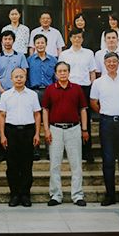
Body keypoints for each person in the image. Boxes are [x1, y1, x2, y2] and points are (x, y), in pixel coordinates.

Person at [90, 52, 119, 206]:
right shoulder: (98, 82)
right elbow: (93, 102)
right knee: (108, 159)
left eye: (114, 61)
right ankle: (110, 195)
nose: (111, 64)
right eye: (109, 62)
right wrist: (105, 113)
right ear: (104, 64)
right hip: (107, 123)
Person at [42, 62, 89, 207]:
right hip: (55, 129)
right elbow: (45, 110)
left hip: (73, 129)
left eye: (65, 71)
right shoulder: (50, 89)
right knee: (55, 164)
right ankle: (56, 195)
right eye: (60, 71)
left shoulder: (77, 88)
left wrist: (84, 129)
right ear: (56, 73)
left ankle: (77, 195)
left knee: (76, 164)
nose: (62, 73)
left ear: (69, 72)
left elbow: (83, 109)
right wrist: (46, 130)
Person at [0, 68, 42, 207]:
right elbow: (2, 116)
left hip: (28, 131)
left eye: (21, 76)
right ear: (11, 79)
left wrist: (37, 133)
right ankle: (14, 194)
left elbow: (37, 114)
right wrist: (2, 135)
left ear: (25, 78)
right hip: (11, 131)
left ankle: (25, 194)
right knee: (12, 165)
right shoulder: (6, 95)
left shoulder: (32, 95)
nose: (19, 79)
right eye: (16, 76)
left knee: (27, 165)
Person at [58, 28, 97, 163]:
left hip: (85, 88)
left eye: (79, 37)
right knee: (71, 119)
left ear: (82, 39)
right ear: (70, 39)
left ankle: (87, 151)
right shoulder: (64, 54)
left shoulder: (89, 53)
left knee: (86, 120)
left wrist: (92, 88)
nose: (77, 39)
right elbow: (60, 72)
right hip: (69, 88)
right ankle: (72, 152)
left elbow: (92, 72)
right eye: (74, 37)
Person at [0, 30, 29, 161]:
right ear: (2, 41)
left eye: (9, 39)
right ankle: (1, 152)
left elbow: (24, 73)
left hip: (18, 93)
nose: (7, 41)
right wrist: (2, 91)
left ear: (13, 41)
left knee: (16, 120)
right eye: (5, 39)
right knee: (2, 121)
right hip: (2, 93)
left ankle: (16, 151)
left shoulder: (20, 56)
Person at [26, 33, 57, 160]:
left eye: (42, 42)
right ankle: (36, 150)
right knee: (35, 121)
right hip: (34, 92)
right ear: (34, 45)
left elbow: (56, 78)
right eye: (37, 43)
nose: (40, 45)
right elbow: (26, 78)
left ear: (46, 44)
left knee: (49, 121)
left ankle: (50, 150)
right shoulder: (29, 60)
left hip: (49, 92)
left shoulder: (53, 60)